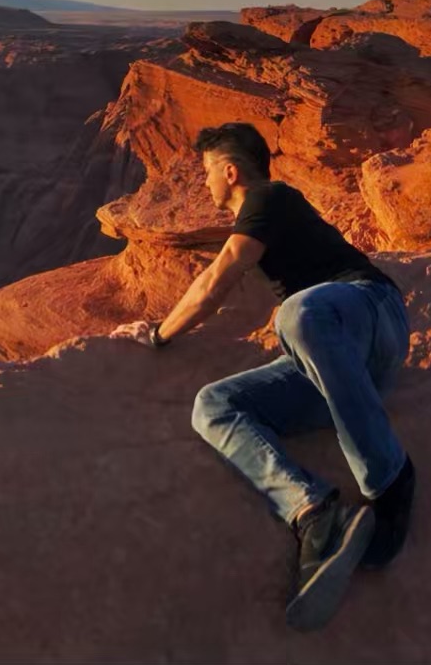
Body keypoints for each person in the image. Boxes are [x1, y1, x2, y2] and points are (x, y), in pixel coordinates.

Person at [112, 123, 414, 632]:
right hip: (335, 369)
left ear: (230, 171)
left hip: (371, 314)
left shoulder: (270, 197)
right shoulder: (266, 217)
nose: (204, 183)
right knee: (213, 405)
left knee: (297, 313)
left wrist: (159, 334)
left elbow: (217, 280)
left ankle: (390, 481)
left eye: (207, 171)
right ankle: (314, 512)